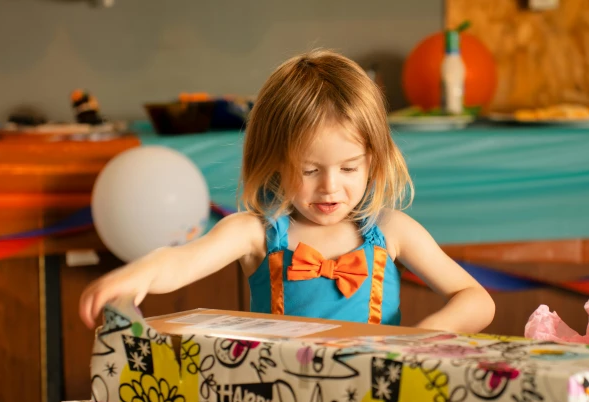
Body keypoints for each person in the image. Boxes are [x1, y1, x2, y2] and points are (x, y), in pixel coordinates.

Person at [79, 50, 495, 332]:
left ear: (373, 160)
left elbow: (476, 299)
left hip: (377, 396)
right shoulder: (256, 232)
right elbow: (181, 262)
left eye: (349, 167)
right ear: (276, 162)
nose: (330, 186)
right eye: (309, 170)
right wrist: (138, 274)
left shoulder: (393, 230)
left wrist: (425, 336)